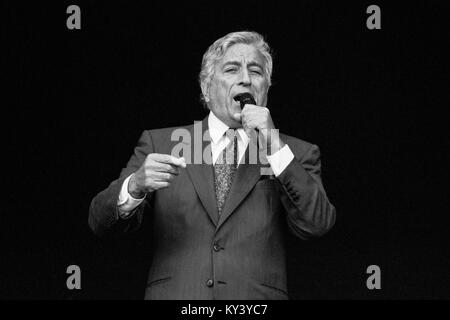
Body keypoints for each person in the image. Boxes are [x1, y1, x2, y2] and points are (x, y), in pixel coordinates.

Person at [89, 31, 336, 300]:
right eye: (232, 69)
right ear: (206, 89)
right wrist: (135, 186)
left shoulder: (295, 152)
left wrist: (274, 146)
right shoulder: (161, 143)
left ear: (266, 87)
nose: (245, 78)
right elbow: (100, 223)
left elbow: (317, 223)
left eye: (256, 71)